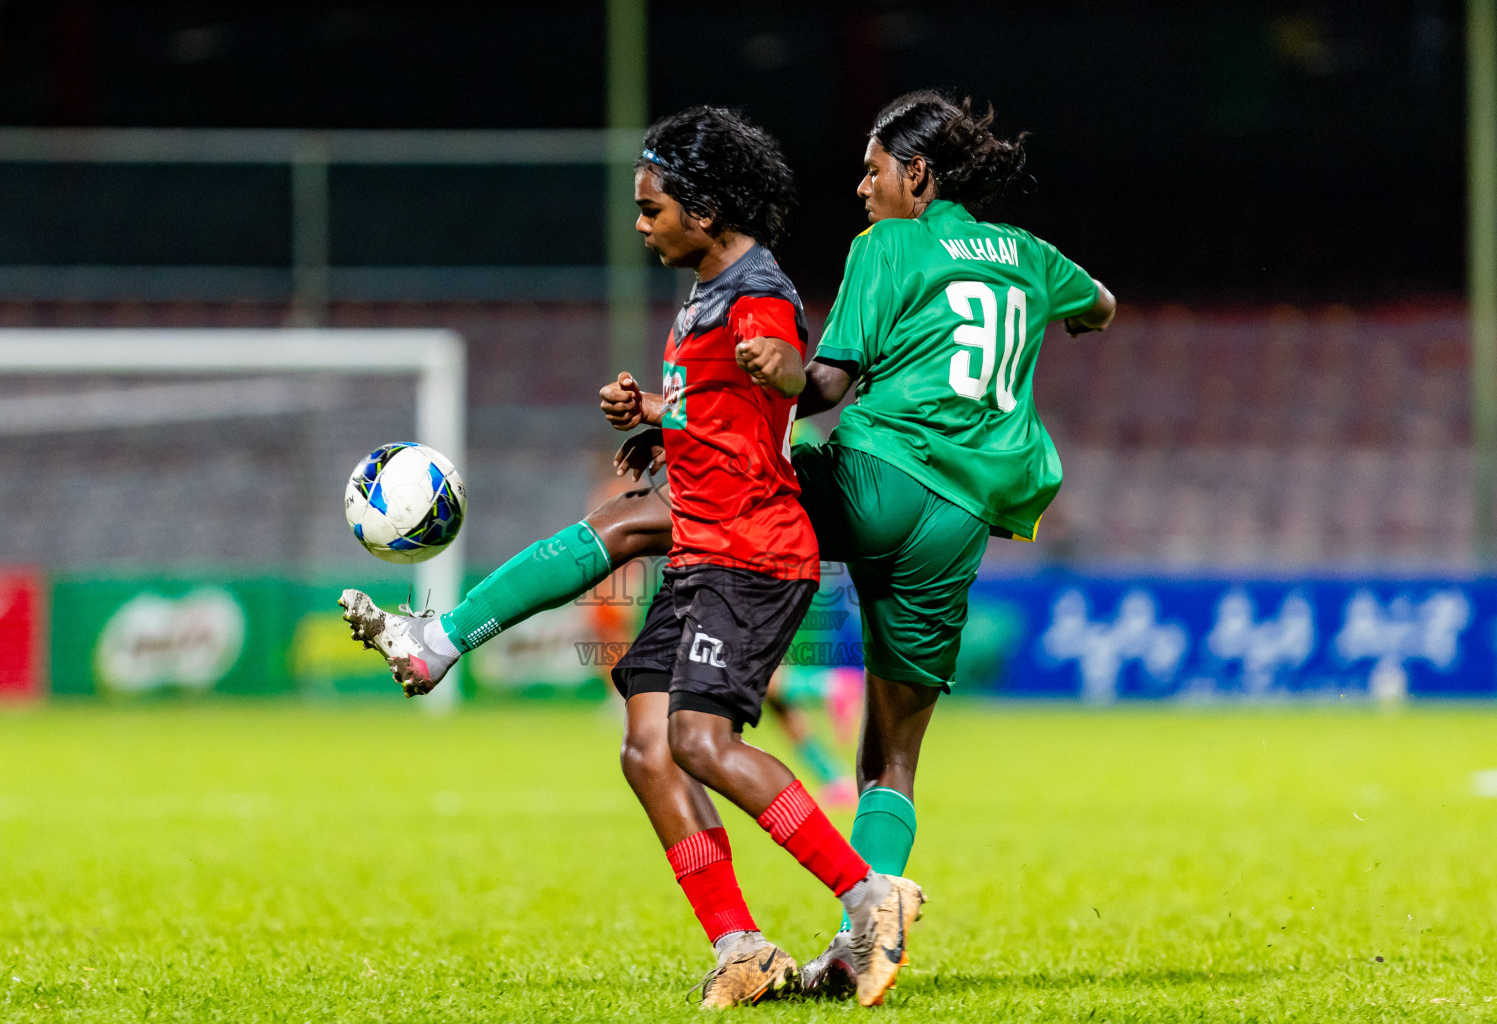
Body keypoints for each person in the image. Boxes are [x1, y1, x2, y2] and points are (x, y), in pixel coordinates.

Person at [347, 89, 1113, 1000]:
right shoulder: (1028, 256)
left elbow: (819, 383)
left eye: (874, 171)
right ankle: (853, 940)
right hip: (959, 526)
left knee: (651, 517)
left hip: (882, 480)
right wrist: (1061, 317)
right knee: (890, 759)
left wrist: (785, 379)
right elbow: (1101, 304)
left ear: (917, 175)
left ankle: (443, 637)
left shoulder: (890, 246)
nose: (863, 188)